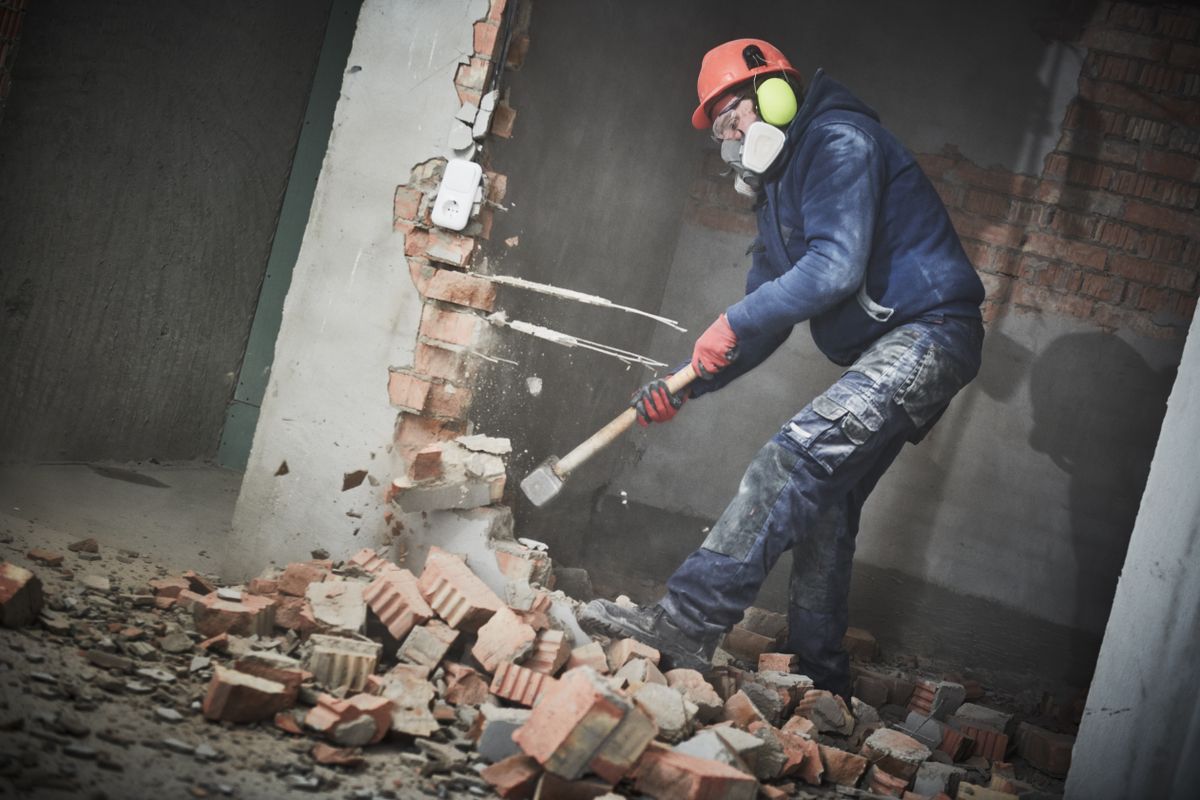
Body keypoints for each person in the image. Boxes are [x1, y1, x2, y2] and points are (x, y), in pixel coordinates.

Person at [579, 39, 985, 703]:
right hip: (899, 348)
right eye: (720, 132)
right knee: (822, 506)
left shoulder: (838, 142)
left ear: (777, 94)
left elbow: (834, 269)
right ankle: (818, 682)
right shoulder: (777, 195)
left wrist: (731, 323)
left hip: (930, 334)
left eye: (734, 117)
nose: (733, 140)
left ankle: (684, 622)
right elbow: (762, 320)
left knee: (794, 458)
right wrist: (689, 382)